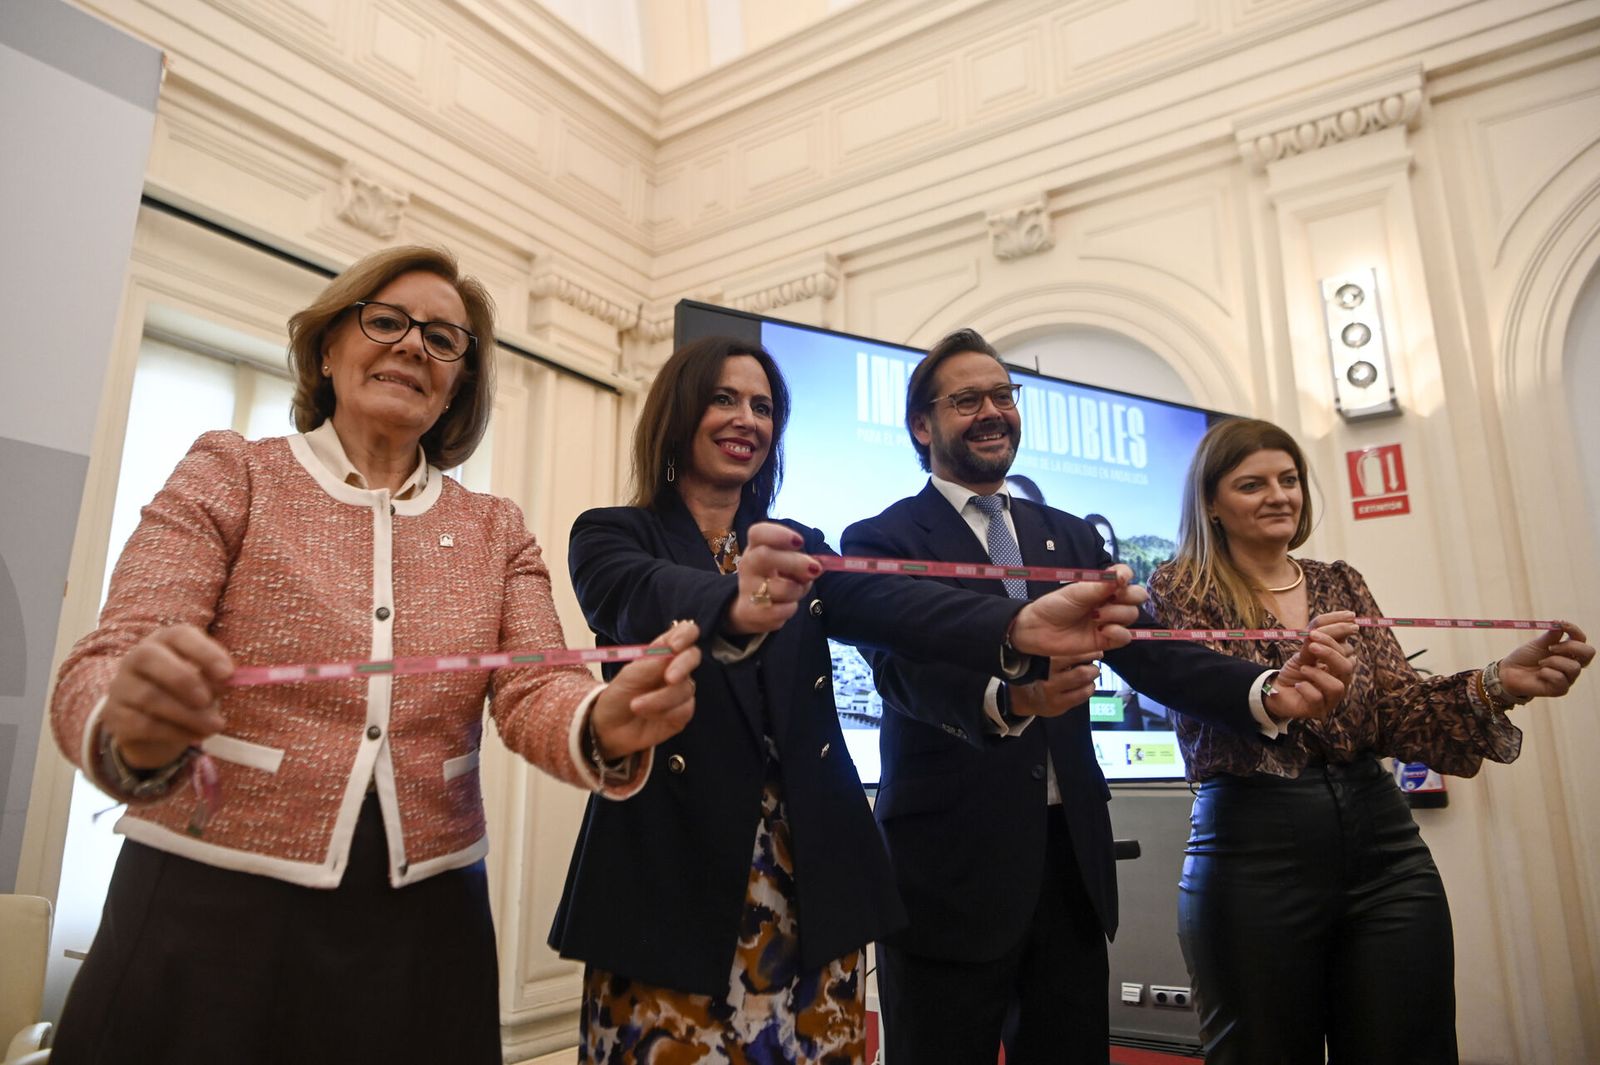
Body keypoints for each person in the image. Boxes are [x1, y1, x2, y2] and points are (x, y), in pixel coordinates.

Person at [48, 246, 701, 1065]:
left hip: (424, 924)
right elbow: (109, 657)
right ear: (328, 347)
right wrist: (131, 719)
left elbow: (539, 687)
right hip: (210, 905)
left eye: (442, 339)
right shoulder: (234, 472)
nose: (412, 346)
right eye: (386, 321)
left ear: (458, 381)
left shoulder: (497, 528)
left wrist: (602, 716)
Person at [548, 336, 1148, 1064]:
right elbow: (644, 597)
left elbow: (894, 604)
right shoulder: (611, 535)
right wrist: (736, 600)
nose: (748, 419)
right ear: (678, 414)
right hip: (673, 886)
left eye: (764, 406)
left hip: (810, 886)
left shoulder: (802, 544)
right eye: (724, 399)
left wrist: (1014, 624)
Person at [839, 329, 1357, 1065]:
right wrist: (1012, 700)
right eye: (967, 400)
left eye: (1002, 396)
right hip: (946, 871)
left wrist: (1264, 689)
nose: (992, 411)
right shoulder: (883, 536)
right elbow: (899, 674)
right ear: (922, 425)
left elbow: (1153, 656)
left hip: (1070, 867)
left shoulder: (1070, 535)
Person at [1147, 416, 1594, 1064]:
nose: (1279, 494)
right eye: (1252, 483)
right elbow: (1219, 709)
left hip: (1386, 847)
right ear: (1211, 502)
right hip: (1253, 851)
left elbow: (1400, 713)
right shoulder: (1181, 587)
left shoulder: (1341, 581)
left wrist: (1501, 681)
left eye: (1289, 478)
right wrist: (1281, 689)